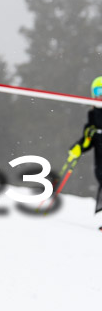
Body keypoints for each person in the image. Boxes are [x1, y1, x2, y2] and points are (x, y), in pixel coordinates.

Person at [64, 76, 102, 216]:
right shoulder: (93, 115)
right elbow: (88, 138)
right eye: (98, 92)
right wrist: (78, 147)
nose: (101, 95)